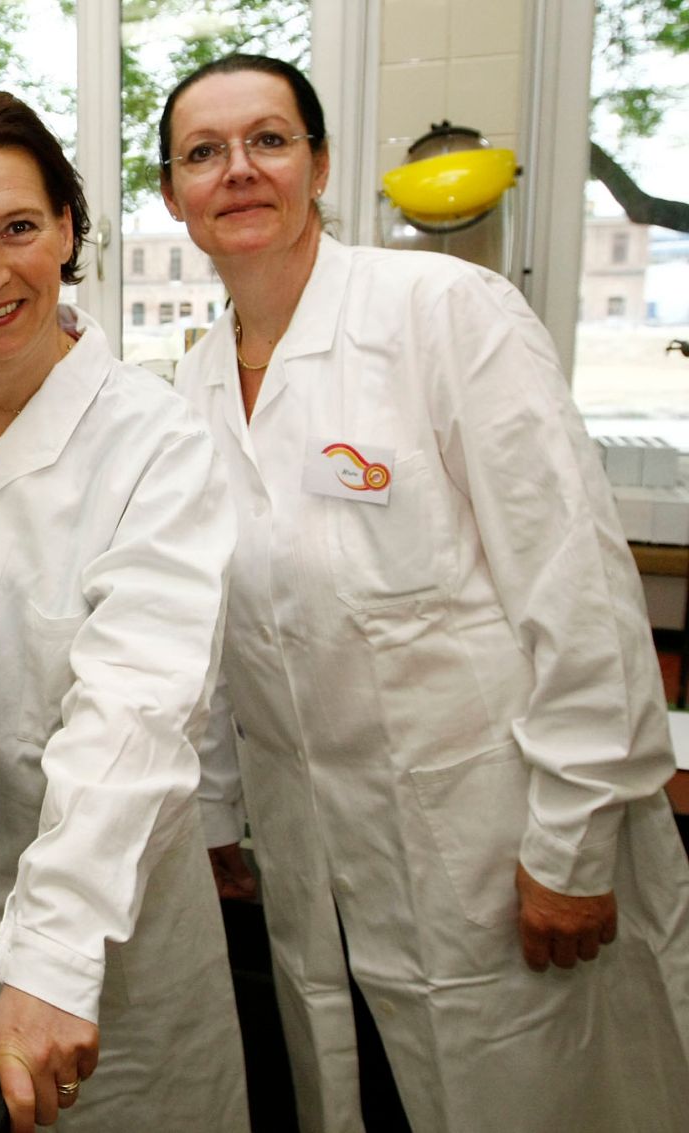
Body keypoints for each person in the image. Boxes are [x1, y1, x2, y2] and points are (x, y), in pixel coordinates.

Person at [162, 52, 689, 1133]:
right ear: (174, 198)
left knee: (536, 1092)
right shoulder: (196, 380)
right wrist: (218, 807)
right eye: (202, 154)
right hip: (315, 854)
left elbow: (572, 582)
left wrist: (575, 844)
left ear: (317, 165)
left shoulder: (444, 309)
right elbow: (212, 623)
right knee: (358, 1085)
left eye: (267, 140)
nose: (238, 171)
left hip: (498, 839)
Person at [0, 84, 249, 1132]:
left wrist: (53, 945)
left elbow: (133, 706)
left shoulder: (151, 442)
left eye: (17, 228)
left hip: (107, 924)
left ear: (68, 227)